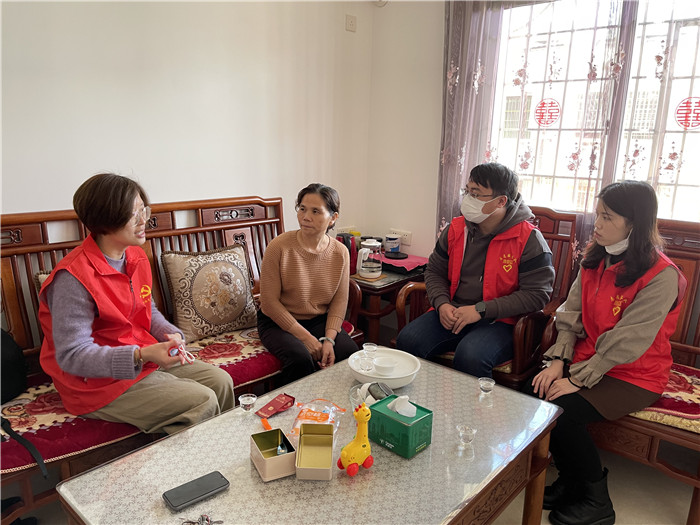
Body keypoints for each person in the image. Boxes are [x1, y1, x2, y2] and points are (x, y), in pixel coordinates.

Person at [529, 181, 687, 525]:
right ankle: (571, 481)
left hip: (634, 373)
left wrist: (577, 380)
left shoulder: (662, 276)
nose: (596, 224)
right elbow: (571, 313)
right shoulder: (595, 258)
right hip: (589, 359)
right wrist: (558, 361)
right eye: (598, 214)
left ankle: (597, 501)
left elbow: (630, 340)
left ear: (634, 222)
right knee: (538, 389)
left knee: (563, 410)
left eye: (607, 217)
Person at [39, 173, 234, 435]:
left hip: (140, 359)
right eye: (133, 215)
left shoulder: (135, 256)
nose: (144, 220)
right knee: (202, 400)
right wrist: (140, 355)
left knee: (221, 381)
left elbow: (147, 309)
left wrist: (170, 333)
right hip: (95, 384)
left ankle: (218, 453)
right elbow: (72, 355)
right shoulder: (72, 278)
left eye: (144, 210)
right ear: (105, 220)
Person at [396, 162, 555, 377]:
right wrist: (442, 303)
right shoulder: (455, 229)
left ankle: (473, 402)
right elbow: (434, 271)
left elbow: (537, 295)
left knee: (471, 355)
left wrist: (480, 310)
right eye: (467, 192)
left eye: (476, 194)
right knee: (407, 341)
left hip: (501, 321)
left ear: (501, 201)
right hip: (454, 312)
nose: (468, 199)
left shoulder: (529, 238)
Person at [258, 183, 358, 384]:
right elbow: (269, 303)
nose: (305, 217)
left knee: (349, 353)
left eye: (315, 211)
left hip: (318, 320)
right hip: (277, 322)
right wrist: (306, 338)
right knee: (300, 359)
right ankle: (295, 404)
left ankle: (332, 402)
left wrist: (329, 339)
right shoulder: (279, 247)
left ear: (333, 218)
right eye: (302, 209)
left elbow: (339, 302)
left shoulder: (340, 252)